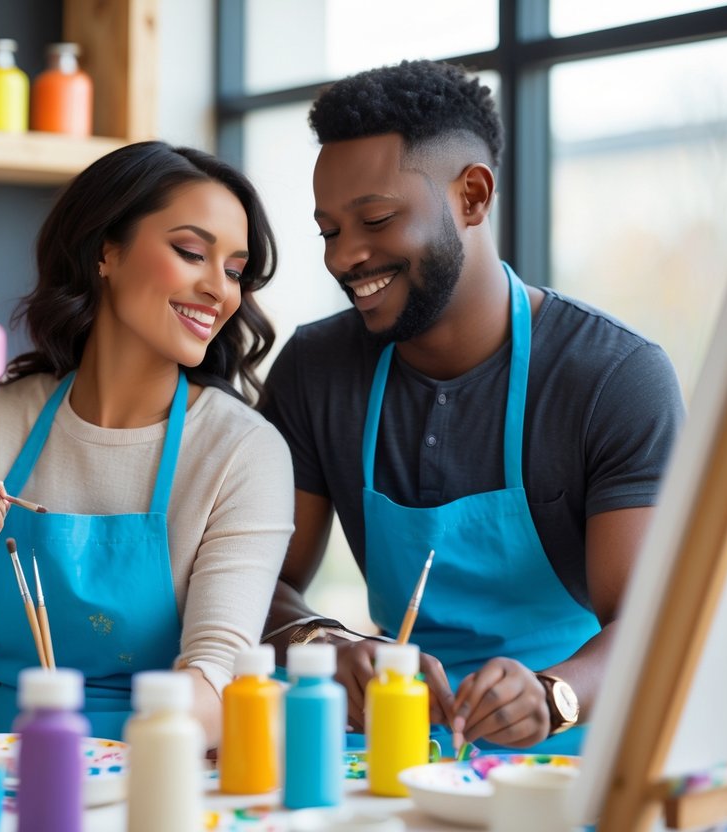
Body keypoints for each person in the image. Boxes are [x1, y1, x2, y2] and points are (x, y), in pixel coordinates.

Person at [260, 60, 685, 755]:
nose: (344, 257)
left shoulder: (614, 376)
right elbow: (259, 582)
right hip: (393, 749)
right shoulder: (315, 369)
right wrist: (322, 641)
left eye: (375, 219)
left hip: (571, 748)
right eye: (329, 231)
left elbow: (648, 623)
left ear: (473, 196)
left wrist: (551, 695)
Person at [0, 141, 294, 745]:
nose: (220, 290)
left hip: (155, 757)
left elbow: (218, 675)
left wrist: (108, 759)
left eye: (234, 271)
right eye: (191, 253)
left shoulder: (243, 452)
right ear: (106, 251)